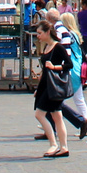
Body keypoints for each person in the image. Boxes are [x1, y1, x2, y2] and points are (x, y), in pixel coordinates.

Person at [32, 21, 72, 157]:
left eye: (40, 33)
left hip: (53, 86)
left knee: (40, 114)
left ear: (48, 32)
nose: (38, 36)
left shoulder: (58, 47)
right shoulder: (47, 46)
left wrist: (54, 67)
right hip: (45, 85)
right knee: (57, 116)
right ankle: (63, 147)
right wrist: (38, 88)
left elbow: (69, 64)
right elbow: (44, 69)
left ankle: (54, 144)